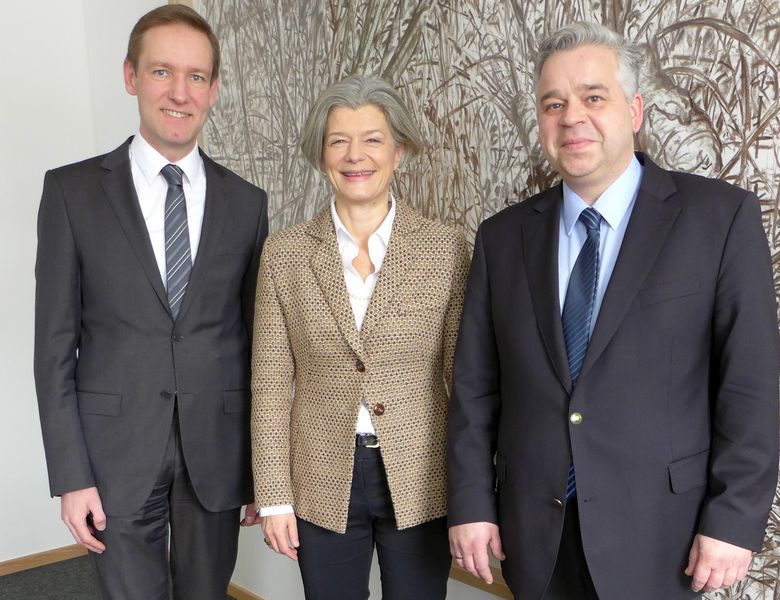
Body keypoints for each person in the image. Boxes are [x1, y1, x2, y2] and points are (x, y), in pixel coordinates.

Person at [446, 21, 780, 600]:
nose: (572, 117)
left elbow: (749, 384)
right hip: (535, 536)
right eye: (554, 104)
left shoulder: (719, 219)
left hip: (663, 537)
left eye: (593, 97)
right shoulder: (502, 239)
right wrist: (472, 504)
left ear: (635, 110)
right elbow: (475, 387)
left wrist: (733, 520)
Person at [33, 5, 268, 599]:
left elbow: (257, 344)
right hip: (114, 454)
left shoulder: (247, 204)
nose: (179, 93)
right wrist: (70, 475)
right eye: (163, 72)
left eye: (196, 77)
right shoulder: (71, 192)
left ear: (213, 90)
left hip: (216, 455)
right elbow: (54, 347)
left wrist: (261, 469)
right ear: (131, 76)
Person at [251, 75, 469, 599]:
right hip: (322, 472)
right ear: (321, 155)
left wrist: (475, 492)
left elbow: (465, 383)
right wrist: (275, 496)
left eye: (372, 139)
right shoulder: (284, 254)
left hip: (422, 473)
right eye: (338, 140)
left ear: (399, 150)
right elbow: (271, 385)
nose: (356, 156)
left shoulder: (448, 249)